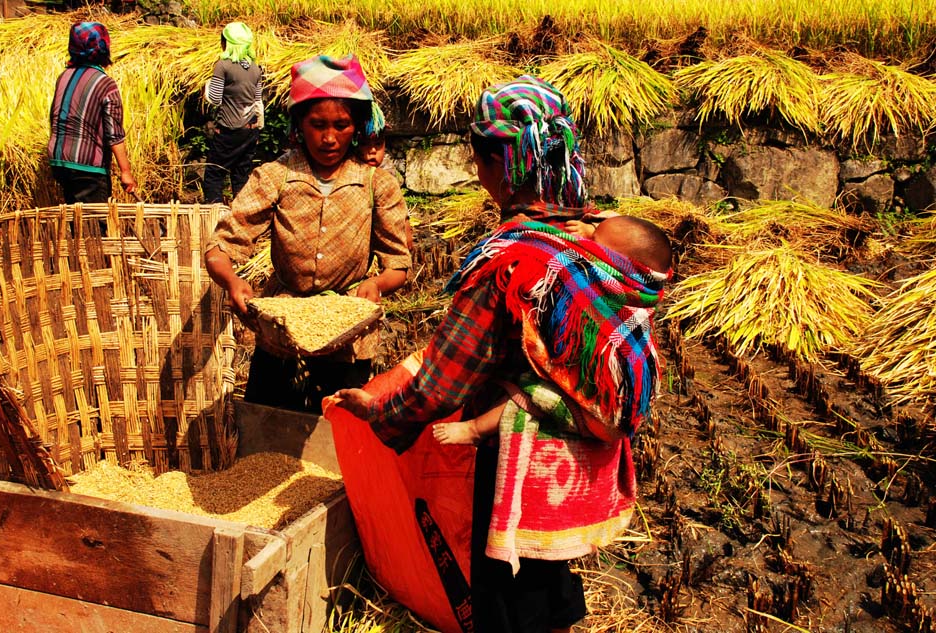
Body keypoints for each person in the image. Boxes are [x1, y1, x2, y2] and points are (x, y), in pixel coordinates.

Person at [333, 75, 671, 632]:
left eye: (479, 159)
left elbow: (444, 384)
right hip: (582, 459)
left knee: (509, 599)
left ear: (497, 163)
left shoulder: (509, 261)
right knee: (552, 584)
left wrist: (382, 415)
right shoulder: (595, 237)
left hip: (521, 461)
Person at [204, 55, 411, 414]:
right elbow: (221, 247)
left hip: (348, 336)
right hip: (281, 332)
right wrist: (231, 281)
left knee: (339, 436)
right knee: (268, 432)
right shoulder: (275, 177)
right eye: (317, 125)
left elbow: (399, 264)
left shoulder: (377, 184)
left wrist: (376, 286)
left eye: (341, 125)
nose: (329, 138)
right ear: (299, 125)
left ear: (357, 127)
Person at [432, 214, 672, 446]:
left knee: (532, 394)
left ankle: (475, 429)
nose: (582, 243)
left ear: (619, 265)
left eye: (594, 243)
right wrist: (590, 230)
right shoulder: (637, 295)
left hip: (601, 418)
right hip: (615, 404)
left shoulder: (604, 298)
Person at [48, 21, 136, 204]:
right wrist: (125, 172)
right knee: (94, 225)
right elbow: (114, 134)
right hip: (87, 167)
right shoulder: (105, 84)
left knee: (77, 218)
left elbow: (54, 117)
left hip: (59, 162)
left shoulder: (64, 77)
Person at [202, 22, 264, 204]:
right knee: (241, 176)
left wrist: (207, 87)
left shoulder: (223, 66)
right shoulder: (255, 69)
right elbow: (257, 100)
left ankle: (214, 219)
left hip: (229, 131)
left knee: (214, 173)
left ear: (227, 43)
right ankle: (242, 217)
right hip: (250, 131)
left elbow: (214, 98)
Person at [356, 103, 414, 252]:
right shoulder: (350, 170)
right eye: (364, 144)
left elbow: (398, 204)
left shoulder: (386, 171)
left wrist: (406, 225)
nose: (373, 151)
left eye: (378, 144)